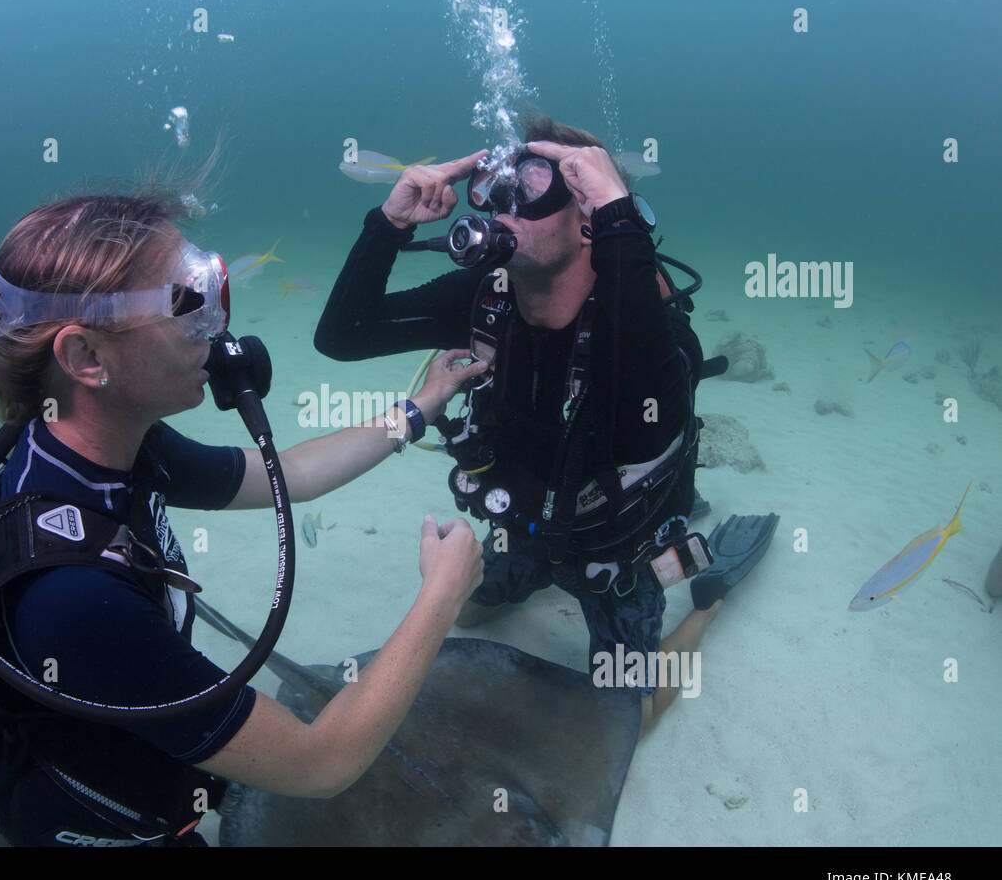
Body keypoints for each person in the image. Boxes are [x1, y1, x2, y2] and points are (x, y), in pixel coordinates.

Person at [0, 191, 490, 846]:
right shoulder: (71, 599)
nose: (216, 324)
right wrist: (442, 594)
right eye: (184, 304)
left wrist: (422, 406)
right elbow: (321, 761)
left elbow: (290, 476)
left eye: (206, 288)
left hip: (150, 749)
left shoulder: (99, 442)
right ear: (87, 358)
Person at [315, 115, 778, 732]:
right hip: (531, 521)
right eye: (493, 189)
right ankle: (539, 567)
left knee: (626, 718)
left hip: (618, 545)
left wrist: (622, 220)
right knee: (469, 615)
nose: (502, 207)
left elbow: (647, 426)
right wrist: (391, 224)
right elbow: (342, 337)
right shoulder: (490, 292)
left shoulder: (647, 326)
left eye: (529, 187)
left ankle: (709, 595)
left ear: (590, 216)